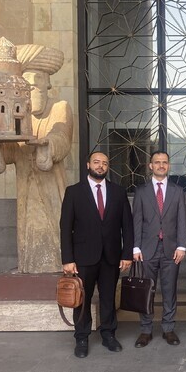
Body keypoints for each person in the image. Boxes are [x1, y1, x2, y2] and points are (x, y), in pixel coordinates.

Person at [0, 44, 73, 273]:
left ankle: (59, 265)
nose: (33, 86)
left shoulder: (60, 107)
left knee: (56, 229)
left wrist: (47, 145)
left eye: (38, 82)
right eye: (28, 83)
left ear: (47, 84)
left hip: (52, 184)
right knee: (28, 231)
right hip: (26, 185)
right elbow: (12, 151)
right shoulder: (18, 113)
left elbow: (62, 136)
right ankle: (29, 266)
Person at [60, 151, 134, 358]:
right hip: (83, 257)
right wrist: (67, 259)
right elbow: (65, 227)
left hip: (111, 256)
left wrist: (127, 254)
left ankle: (108, 334)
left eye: (104, 163)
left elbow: (127, 226)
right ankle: (82, 338)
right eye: (96, 162)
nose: (100, 166)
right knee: (82, 299)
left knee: (109, 297)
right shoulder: (74, 192)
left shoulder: (118, 192)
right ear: (88, 165)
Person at [132, 151, 186, 348]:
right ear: (151, 166)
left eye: (164, 162)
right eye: (157, 162)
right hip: (147, 249)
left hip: (171, 249)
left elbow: (182, 220)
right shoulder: (141, 191)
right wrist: (135, 247)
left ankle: (168, 328)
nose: (161, 165)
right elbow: (137, 221)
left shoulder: (177, 191)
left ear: (168, 166)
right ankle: (146, 330)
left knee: (169, 290)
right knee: (146, 291)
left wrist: (182, 245)